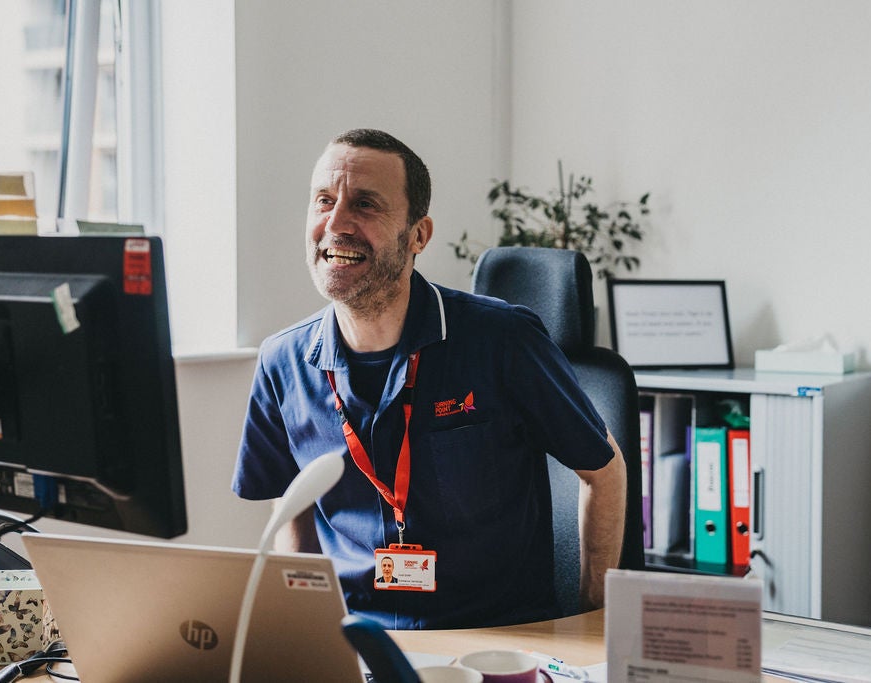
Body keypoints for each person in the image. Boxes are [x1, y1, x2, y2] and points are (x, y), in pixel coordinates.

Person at [232, 128, 626, 630]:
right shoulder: (281, 361)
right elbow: (292, 508)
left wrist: (594, 622)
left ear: (418, 235)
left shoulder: (502, 339)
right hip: (356, 639)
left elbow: (603, 470)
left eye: (366, 204)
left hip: (492, 637)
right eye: (323, 201)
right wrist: (300, 632)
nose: (335, 223)